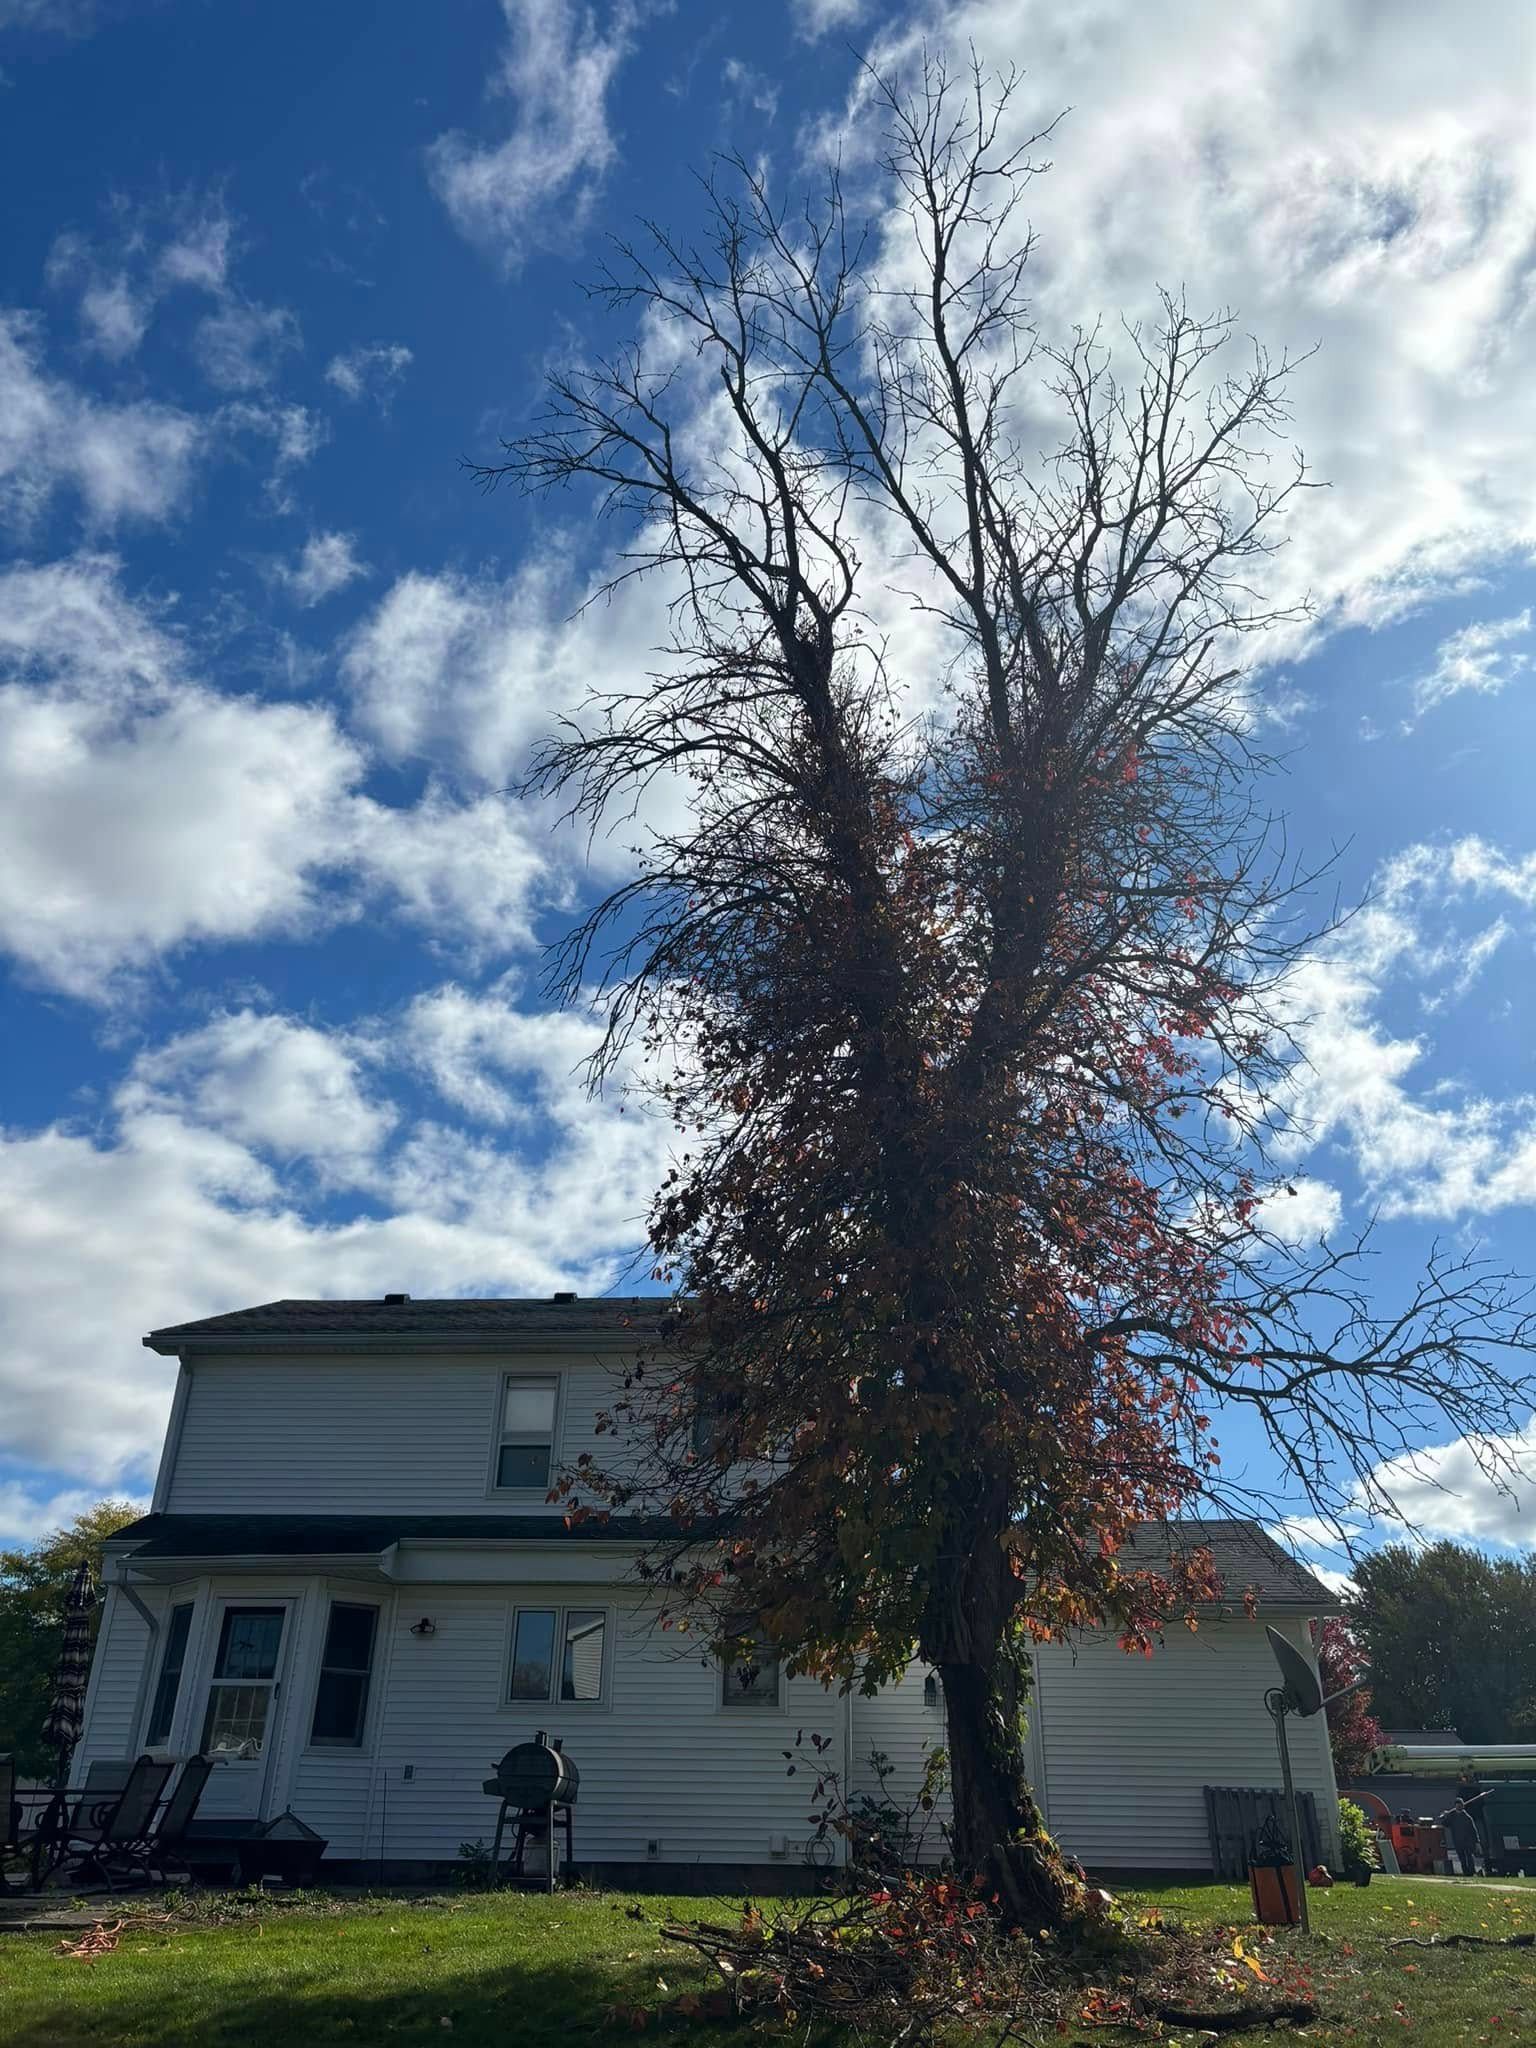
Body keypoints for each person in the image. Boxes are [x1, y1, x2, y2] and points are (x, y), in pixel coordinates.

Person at [1438, 1798, 1483, 1876]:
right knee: (1462, 1858)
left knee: (1469, 1857)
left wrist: (1477, 1842)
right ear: (1455, 1806)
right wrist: (1444, 1816)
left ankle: (1471, 1872)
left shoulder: (1467, 1818)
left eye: (1460, 1805)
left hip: (1468, 1842)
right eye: (1457, 1805)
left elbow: (1473, 1831)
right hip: (1458, 1842)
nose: (1459, 1807)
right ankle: (1466, 1872)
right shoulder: (1452, 1816)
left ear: (1463, 1806)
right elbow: (1445, 1824)